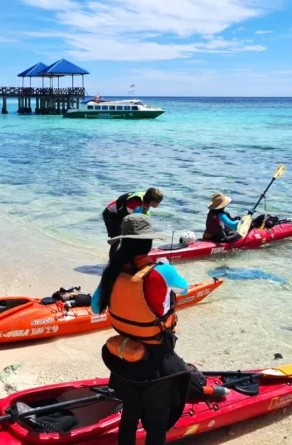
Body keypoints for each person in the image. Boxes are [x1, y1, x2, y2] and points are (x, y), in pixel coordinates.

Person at [92, 214, 192, 445]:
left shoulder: (112, 272)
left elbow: (96, 307)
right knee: (156, 424)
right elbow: (184, 289)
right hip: (157, 361)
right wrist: (166, 269)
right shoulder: (162, 272)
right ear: (149, 243)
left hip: (124, 355)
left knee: (129, 416)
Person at [102, 188, 163, 258]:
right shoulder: (135, 202)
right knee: (117, 241)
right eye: (158, 202)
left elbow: (143, 219)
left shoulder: (147, 201)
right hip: (111, 214)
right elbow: (128, 220)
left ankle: (130, 258)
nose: (158, 205)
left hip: (124, 215)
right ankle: (113, 262)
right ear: (152, 201)